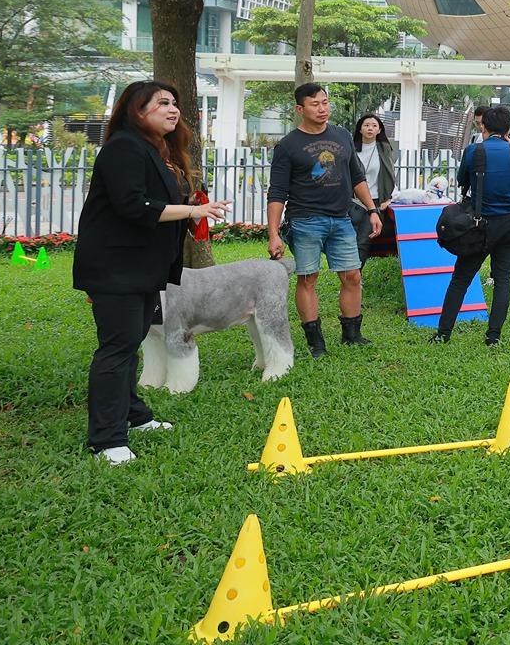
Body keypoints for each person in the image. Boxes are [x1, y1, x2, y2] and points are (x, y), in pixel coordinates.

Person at [74, 81, 229, 465]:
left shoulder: (155, 150)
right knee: (117, 348)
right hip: (116, 267)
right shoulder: (123, 147)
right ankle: (106, 440)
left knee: (131, 343)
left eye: (174, 103)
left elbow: (159, 203)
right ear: (135, 110)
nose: (172, 109)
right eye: (161, 103)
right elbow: (135, 206)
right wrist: (194, 211)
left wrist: (191, 204)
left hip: (143, 268)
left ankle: (135, 416)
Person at [267, 83, 383, 355]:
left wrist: (372, 210)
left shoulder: (341, 135)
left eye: (325, 102)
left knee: (352, 276)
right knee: (308, 279)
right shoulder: (288, 145)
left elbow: (357, 176)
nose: (322, 108)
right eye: (314, 104)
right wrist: (273, 233)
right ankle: (315, 342)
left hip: (342, 219)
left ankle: (351, 334)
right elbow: (277, 192)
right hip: (304, 220)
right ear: (300, 109)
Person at [432, 105, 510, 344]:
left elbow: (461, 181)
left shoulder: (473, 151)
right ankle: (493, 337)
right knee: (503, 280)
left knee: (461, 279)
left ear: (484, 126)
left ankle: (443, 333)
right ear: (509, 128)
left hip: (477, 226)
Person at [351, 114, 397, 266]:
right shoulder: (351, 149)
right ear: (360, 128)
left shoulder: (384, 149)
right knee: (348, 239)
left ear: (379, 130)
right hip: (352, 201)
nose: (370, 128)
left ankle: (354, 279)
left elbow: (390, 175)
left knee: (363, 239)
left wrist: (388, 199)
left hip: (375, 202)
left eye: (374, 125)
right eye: (366, 125)